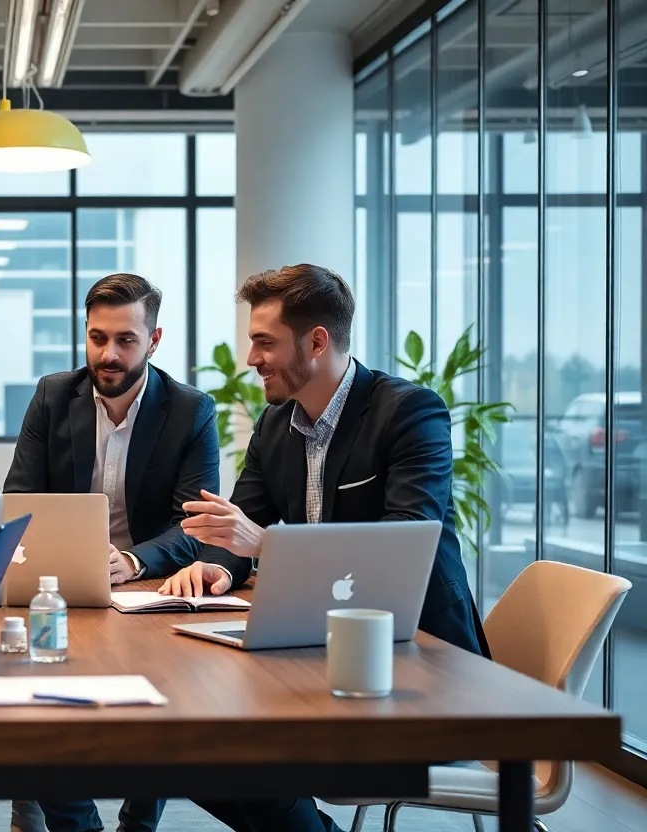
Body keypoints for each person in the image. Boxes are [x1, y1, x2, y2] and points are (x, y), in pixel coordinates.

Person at [160, 263, 490, 832]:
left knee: (235, 757)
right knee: (183, 748)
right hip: (319, 656)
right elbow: (244, 525)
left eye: (264, 343)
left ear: (317, 342)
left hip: (418, 665)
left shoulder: (409, 412)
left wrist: (265, 544)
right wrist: (213, 570)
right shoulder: (275, 423)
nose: (251, 359)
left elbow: (401, 548)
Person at [5, 272, 219, 832]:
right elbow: (19, 498)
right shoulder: (55, 395)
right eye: (98, 337)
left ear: (155, 338)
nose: (109, 353)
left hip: (151, 586)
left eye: (126, 339)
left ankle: (140, 820)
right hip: (64, 584)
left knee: (162, 700)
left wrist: (133, 561)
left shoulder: (190, 410)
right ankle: (72, 820)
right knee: (46, 706)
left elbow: (194, 524)